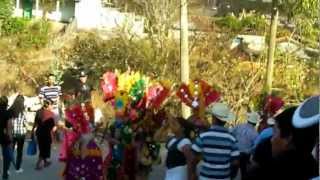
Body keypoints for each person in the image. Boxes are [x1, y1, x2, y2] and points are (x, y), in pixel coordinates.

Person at [191, 102, 240, 180]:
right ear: (225, 121)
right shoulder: (231, 139)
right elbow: (235, 162)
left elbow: (193, 156)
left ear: (213, 118)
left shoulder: (203, 136)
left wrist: (193, 173)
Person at [231, 112, 260, 179]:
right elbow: (255, 147)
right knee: (244, 173)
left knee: (232, 173)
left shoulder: (239, 126)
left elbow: (231, 133)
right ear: (255, 123)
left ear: (248, 120)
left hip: (235, 153)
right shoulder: (255, 134)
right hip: (245, 155)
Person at [31, 100, 56, 170]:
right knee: (44, 150)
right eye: (51, 105)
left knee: (42, 148)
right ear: (48, 105)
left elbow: (35, 123)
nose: (52, 106)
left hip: (39, 133)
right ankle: (38, 165)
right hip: (46, 134)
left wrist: (32, 132)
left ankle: (45, 162)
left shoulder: (38, 111)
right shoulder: (51, 114)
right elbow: (53, 127)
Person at [8, 95, 27, 173]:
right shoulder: (23, 112)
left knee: (10, 150)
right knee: (19, 151)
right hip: (21, 134)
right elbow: (25, 123)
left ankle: (8, 168)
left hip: (12, 134)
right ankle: (18, 168)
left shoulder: (10, 111)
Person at [0, 96, 13, 180]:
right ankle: (5, 174)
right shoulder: (7, 113)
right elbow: (9, 127)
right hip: (4, 136)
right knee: (6, 156)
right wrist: (10, 139)